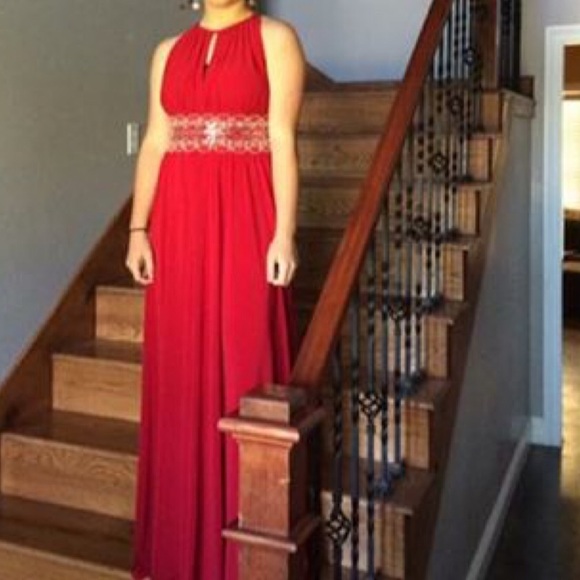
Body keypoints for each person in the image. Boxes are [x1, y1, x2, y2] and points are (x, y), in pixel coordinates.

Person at [124, 1, 306, 578]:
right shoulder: (166, 53)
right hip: (178, 224)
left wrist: (284, 234)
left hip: (247, 218)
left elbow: (282, 138)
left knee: (247, 358)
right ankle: (176, 549)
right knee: (179, 366)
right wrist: (137, 230)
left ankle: (245, 549)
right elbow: (156, 142)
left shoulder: (275, 38)